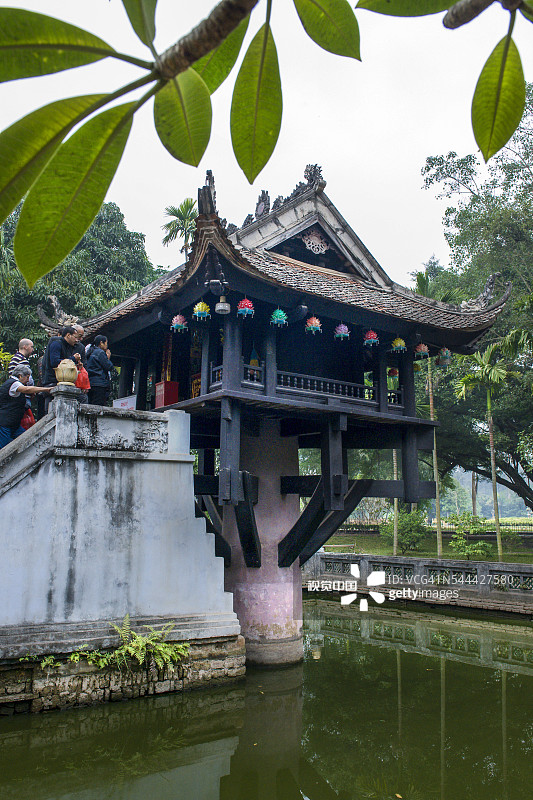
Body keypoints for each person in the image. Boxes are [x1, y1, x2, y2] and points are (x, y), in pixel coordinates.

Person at [0, 365, 51, 449]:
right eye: (27, 377)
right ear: (20, 376)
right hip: (5, 423)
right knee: (3, 448)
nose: (28, 380)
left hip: (13, 424)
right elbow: (26, 389)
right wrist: (46, 389)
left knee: (27, 440)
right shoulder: (14, 383)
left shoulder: (11, 383)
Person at [41, 326, 80, 412]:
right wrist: (73, 359)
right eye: (75, 337)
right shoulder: (57, 343)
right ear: (68, 335)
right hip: (52, 380)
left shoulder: (67, 346)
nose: (77, 340)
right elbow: (55, 362)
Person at [87, 335, 114, 406]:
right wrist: (108, 358)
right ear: (101, 343)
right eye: (106, 343)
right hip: (99, 383)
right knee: (98, 406)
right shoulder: (100, 352)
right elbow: (109, 366)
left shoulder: (90, 351)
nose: (107, 345)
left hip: (90, 382)